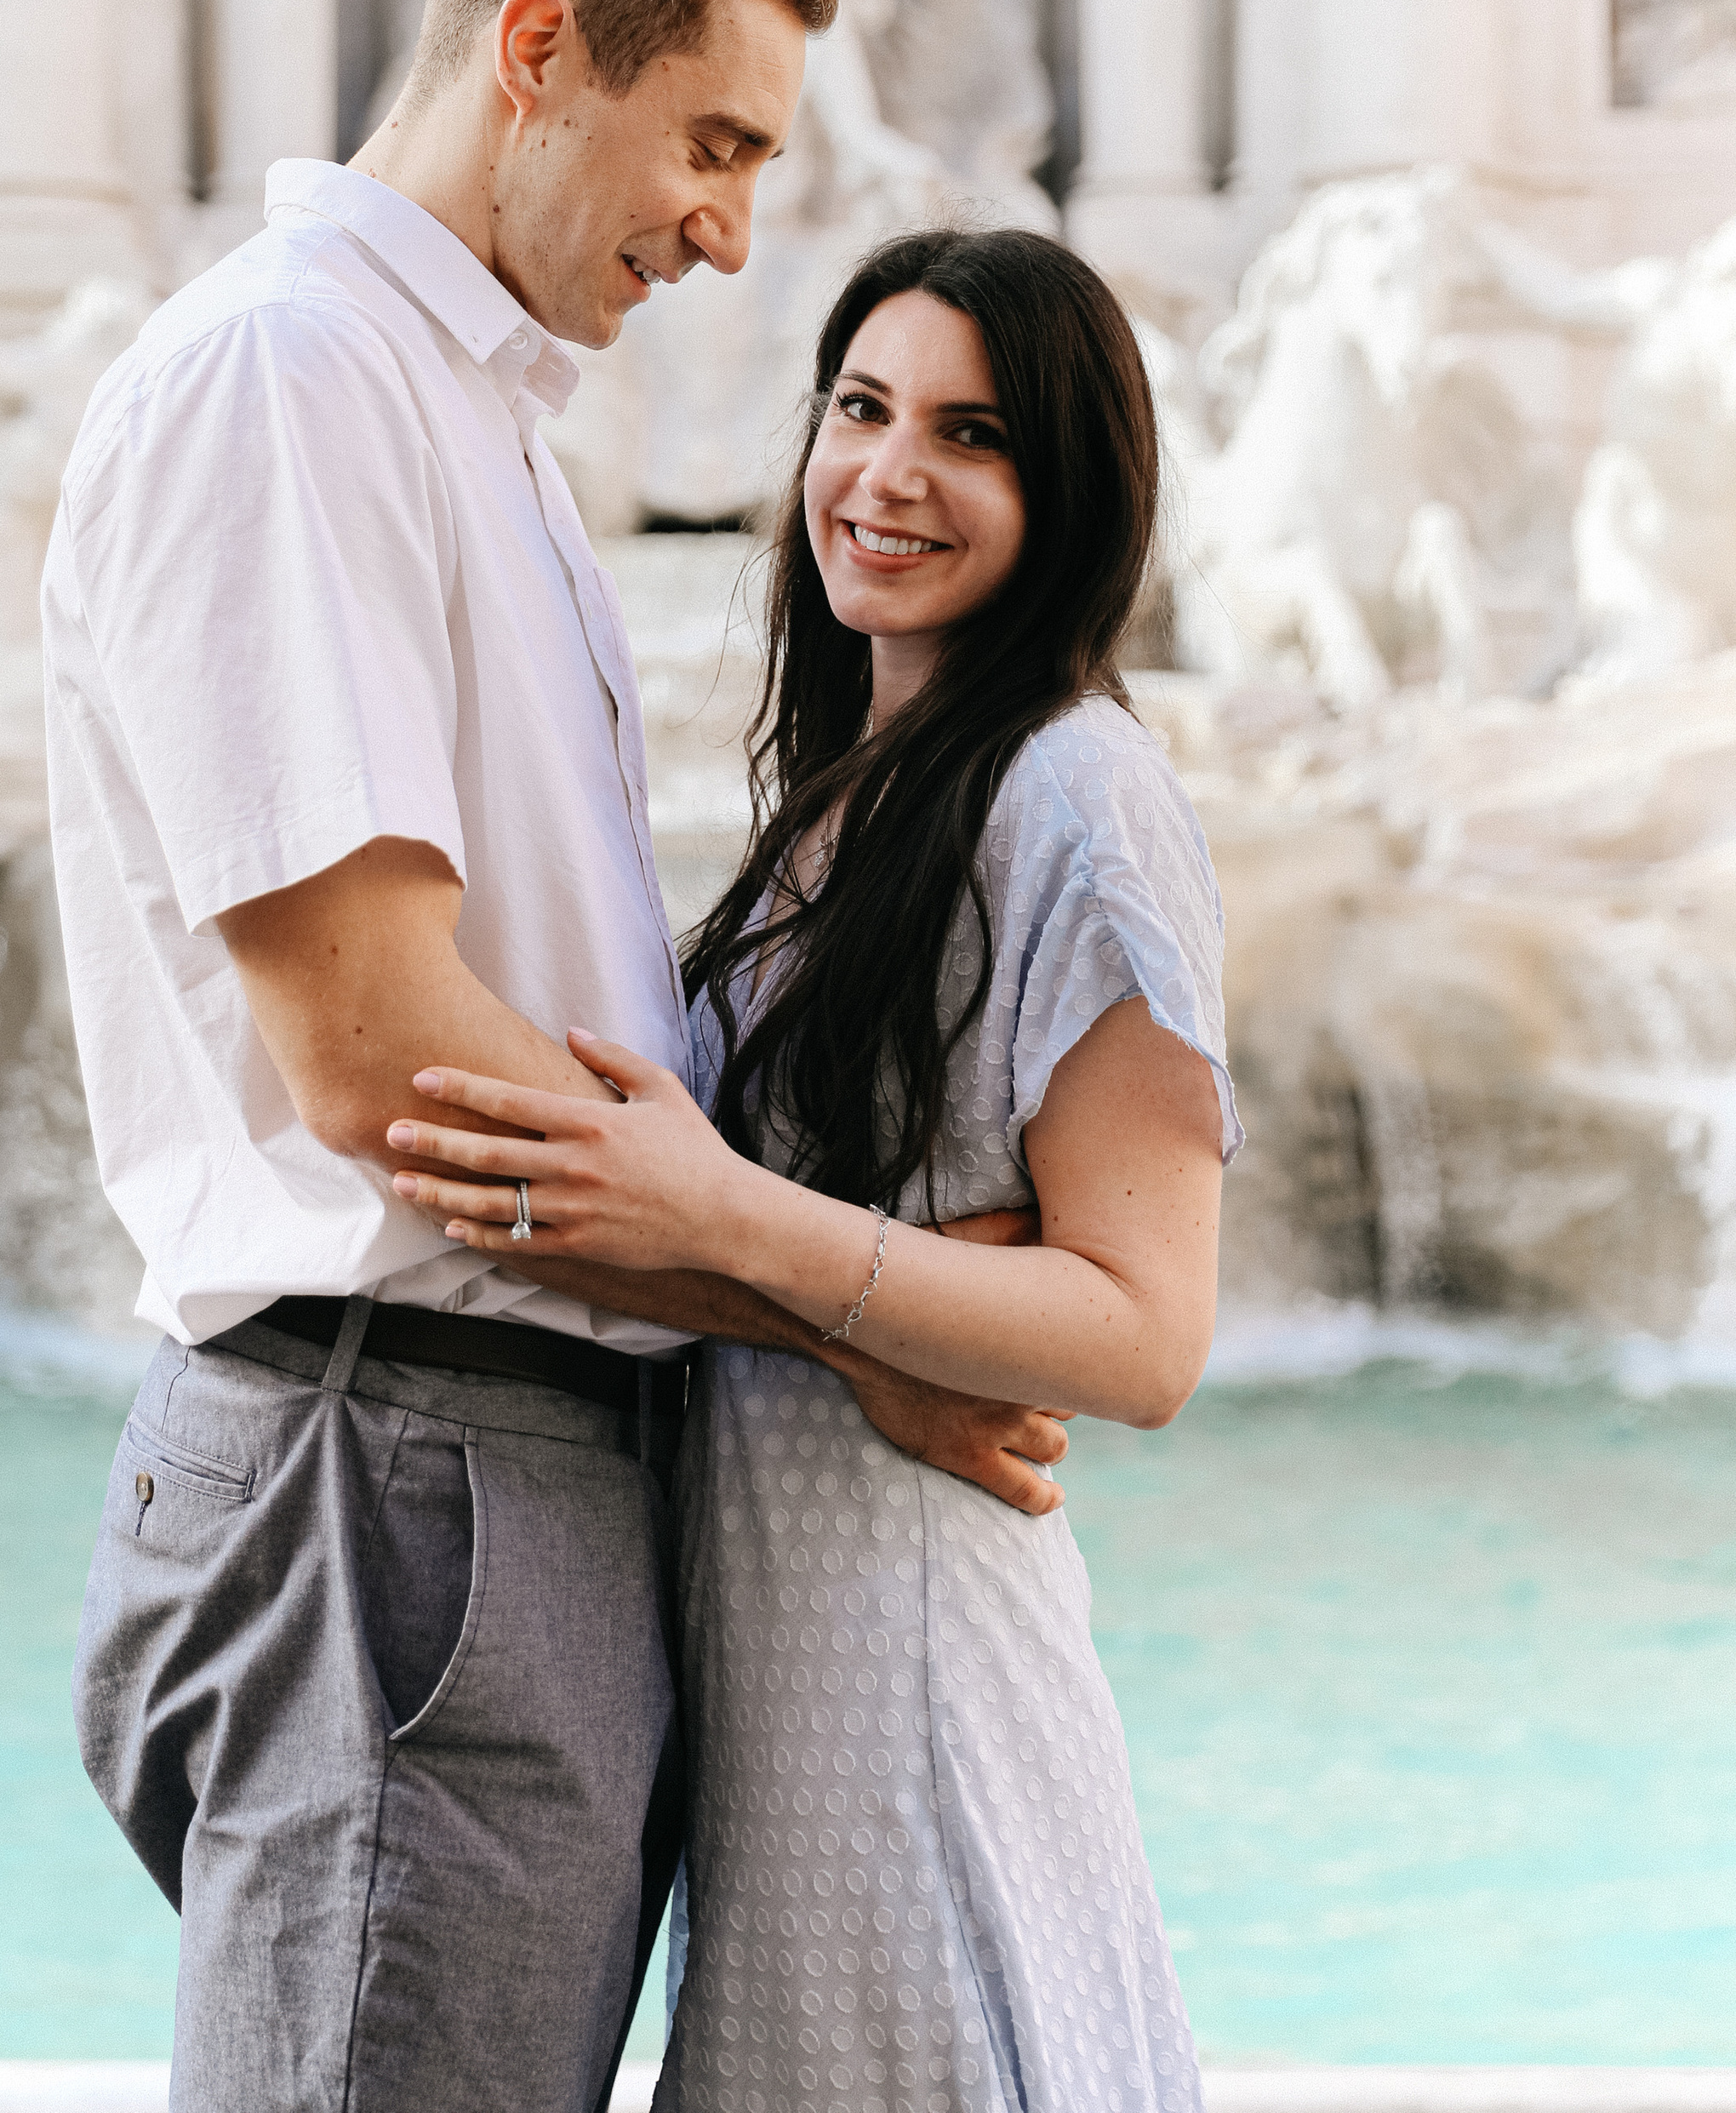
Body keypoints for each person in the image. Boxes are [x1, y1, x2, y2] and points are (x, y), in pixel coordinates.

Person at [43, 0, 1075, 2113]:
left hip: (466, 1492)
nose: (731, 225)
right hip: (402, 1492)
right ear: (537, 54)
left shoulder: (473, 414)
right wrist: (856, 1314)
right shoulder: (290, 385)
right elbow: (380, 1055)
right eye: (710, 140)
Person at [390, 223, 1241, 2113]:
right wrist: (838, 1309)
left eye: (972, 436)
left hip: (913, 1689)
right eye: (858, 409)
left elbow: (1140, 1332)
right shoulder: (854, 793)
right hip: (782, 1680)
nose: (888, 474)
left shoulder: (1074, 793)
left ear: (1075, 488)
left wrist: (721, 1212)